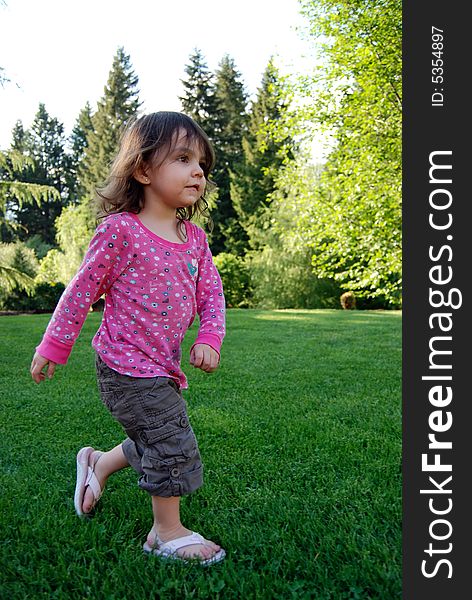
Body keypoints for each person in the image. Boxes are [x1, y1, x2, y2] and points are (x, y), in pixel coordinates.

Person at [30, 112, 226, 566]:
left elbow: (211, 293)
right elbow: (81, 292)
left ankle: (98, 463)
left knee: (155, 433)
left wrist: (210, 336)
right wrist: (53, 346)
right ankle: (165, 532)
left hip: (162, 366)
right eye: (182, 158)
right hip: (123, 367)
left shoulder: (193, 238)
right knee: (171, 440)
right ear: (142, 170)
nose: (197, 171)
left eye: (201, 163)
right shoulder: (121, 230)